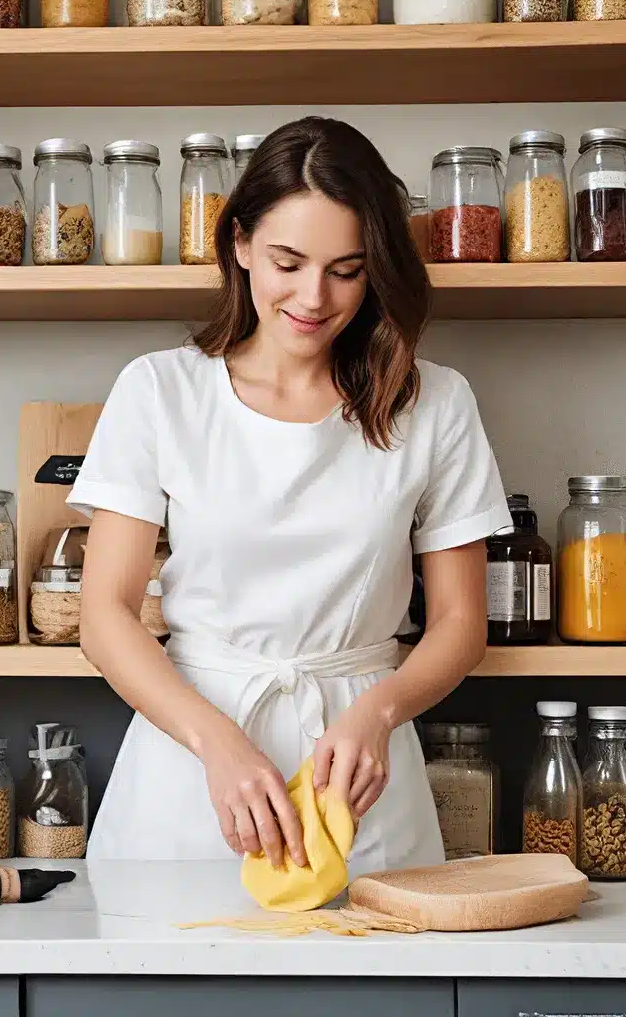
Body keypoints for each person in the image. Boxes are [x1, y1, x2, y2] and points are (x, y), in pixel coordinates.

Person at [68, 116, 510, 875]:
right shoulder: (160, 390)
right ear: (239, 245)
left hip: (364, 784)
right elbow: (104, 617)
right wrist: (220, 743)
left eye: (347, 268)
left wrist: (380, 711)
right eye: (288, 261)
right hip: (188, 767)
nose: (315, 296)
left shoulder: (435, 402)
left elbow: (461, 624)